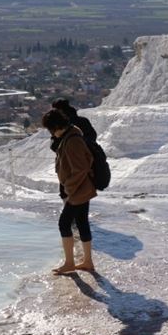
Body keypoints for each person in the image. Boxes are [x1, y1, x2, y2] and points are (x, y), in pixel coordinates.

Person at [42, 108, 97, 275]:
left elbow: (80, 168)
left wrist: (68, 189)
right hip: (82, 189)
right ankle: (87, 261)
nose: (52, 134)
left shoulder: (72, 140)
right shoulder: (71, 135)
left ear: (58, 126)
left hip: (78, 191)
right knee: (81, 223)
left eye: (52, 129)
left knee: (64, 223)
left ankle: (69, 263)